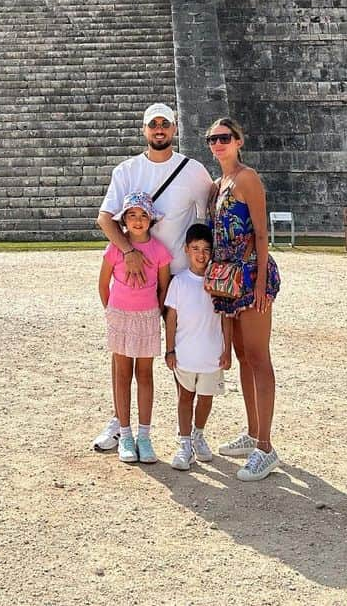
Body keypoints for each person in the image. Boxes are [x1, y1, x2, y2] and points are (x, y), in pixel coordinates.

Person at [91, 103, 214, 453]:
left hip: (175, 275)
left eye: (165, 124)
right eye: (153, 125)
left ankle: (186, 435)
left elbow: (208, 216)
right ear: (144, 130)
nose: (159, 130)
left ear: (175, 129)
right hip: (135, 282)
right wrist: (129, 253)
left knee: (181, 354)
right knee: (125, 356)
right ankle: (121, 424)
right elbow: (105, 218)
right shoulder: (127, 170)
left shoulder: (192, 170)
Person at [205, 116, 282, 482]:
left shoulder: (247, 178)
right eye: (211, 139)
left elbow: (263, 234)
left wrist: (262, 281)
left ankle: (266, 447)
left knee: (258, 356)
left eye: (224, 138)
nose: (217, 144)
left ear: (239, 141)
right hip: (228, 278)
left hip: (250, 275)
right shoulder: (219, 184)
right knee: (241, 357)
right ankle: (253, 433)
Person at [97, 191, 172, 464]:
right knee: (122, 374)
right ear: (124, 220)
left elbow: (164, 286)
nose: (138, 221)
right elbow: (103, 284)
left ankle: (144, 435)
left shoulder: (160, 250)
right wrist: (112, 312)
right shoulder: (115, 248)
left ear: (151, 219)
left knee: (145, 375)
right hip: (120, 316)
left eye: (143, 216)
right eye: (132, 216)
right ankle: (125, 434)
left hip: (146, 317)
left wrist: (155, 311)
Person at [163, 223, 233, 470]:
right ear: (186, 250)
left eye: (205, 249)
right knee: (185, 398)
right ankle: (184, 444)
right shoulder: (180, 282)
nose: (201, 254)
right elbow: (171, 318)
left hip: (212, 354)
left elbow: (226, 316)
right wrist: (170, 349)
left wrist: (228, 350)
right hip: (185, 353)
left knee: (205, 399)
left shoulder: (217, 282)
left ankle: (198, 434)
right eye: (195, 249)